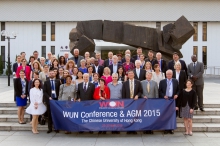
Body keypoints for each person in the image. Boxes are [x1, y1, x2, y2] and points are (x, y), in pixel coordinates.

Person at [122, 70, 143, 134]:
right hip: (128, 102)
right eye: (129, 74)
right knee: (128, 116)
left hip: (135, 102)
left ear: (134, 75)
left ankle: (134, 129)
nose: (130, 75)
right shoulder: (125, 83)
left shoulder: (138, 82)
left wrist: (137, 95)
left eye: (132, 74)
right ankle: (129, 129)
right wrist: (124, 102)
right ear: (127, 75)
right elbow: (123, 93)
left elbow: (140, 91)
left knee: (135, 116)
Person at [159, 70, 179, 134]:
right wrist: (163, 96)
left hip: (173, 100)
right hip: (165, 100)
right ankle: (165, 128)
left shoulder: (175, 81)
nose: (169, 75)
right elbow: (159, 91)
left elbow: (179, 90)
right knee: (165, 114)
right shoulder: (162, 82)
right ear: (166, 75)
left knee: (172, 115)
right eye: (168, 74)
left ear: (172, 75)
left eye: (170, 74)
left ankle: (171, 128)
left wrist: (177, 94)